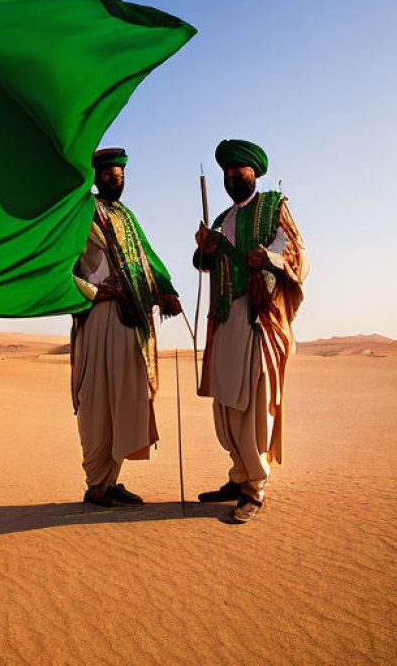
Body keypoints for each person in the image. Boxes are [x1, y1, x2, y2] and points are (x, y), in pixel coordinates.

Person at [193, 139, 309, 522]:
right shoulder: (222, 218)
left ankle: (255, 487)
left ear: (253, 171)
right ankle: (238, 475)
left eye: (238, 170)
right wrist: (205, 247)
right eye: (226, 171)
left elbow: (299, 254)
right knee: (226, 404)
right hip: (225, 319)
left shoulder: (275, 206)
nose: (231, 176)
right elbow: (203, 263)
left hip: (261, 319)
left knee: (255, 401)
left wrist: (271, 259)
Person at [70, 147, 183, 507]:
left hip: (132, 319)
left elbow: (146, 256)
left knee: (124, 398)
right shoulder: (80, 212)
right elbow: (62, 266)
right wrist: (95, 293)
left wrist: (166, 290)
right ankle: (96, 484)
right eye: (109, 174)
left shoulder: (126, 217)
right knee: (98, 401)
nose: (114, 179)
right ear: (96, 176)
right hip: (99, 315)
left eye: (119, 175)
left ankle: (112, 480)